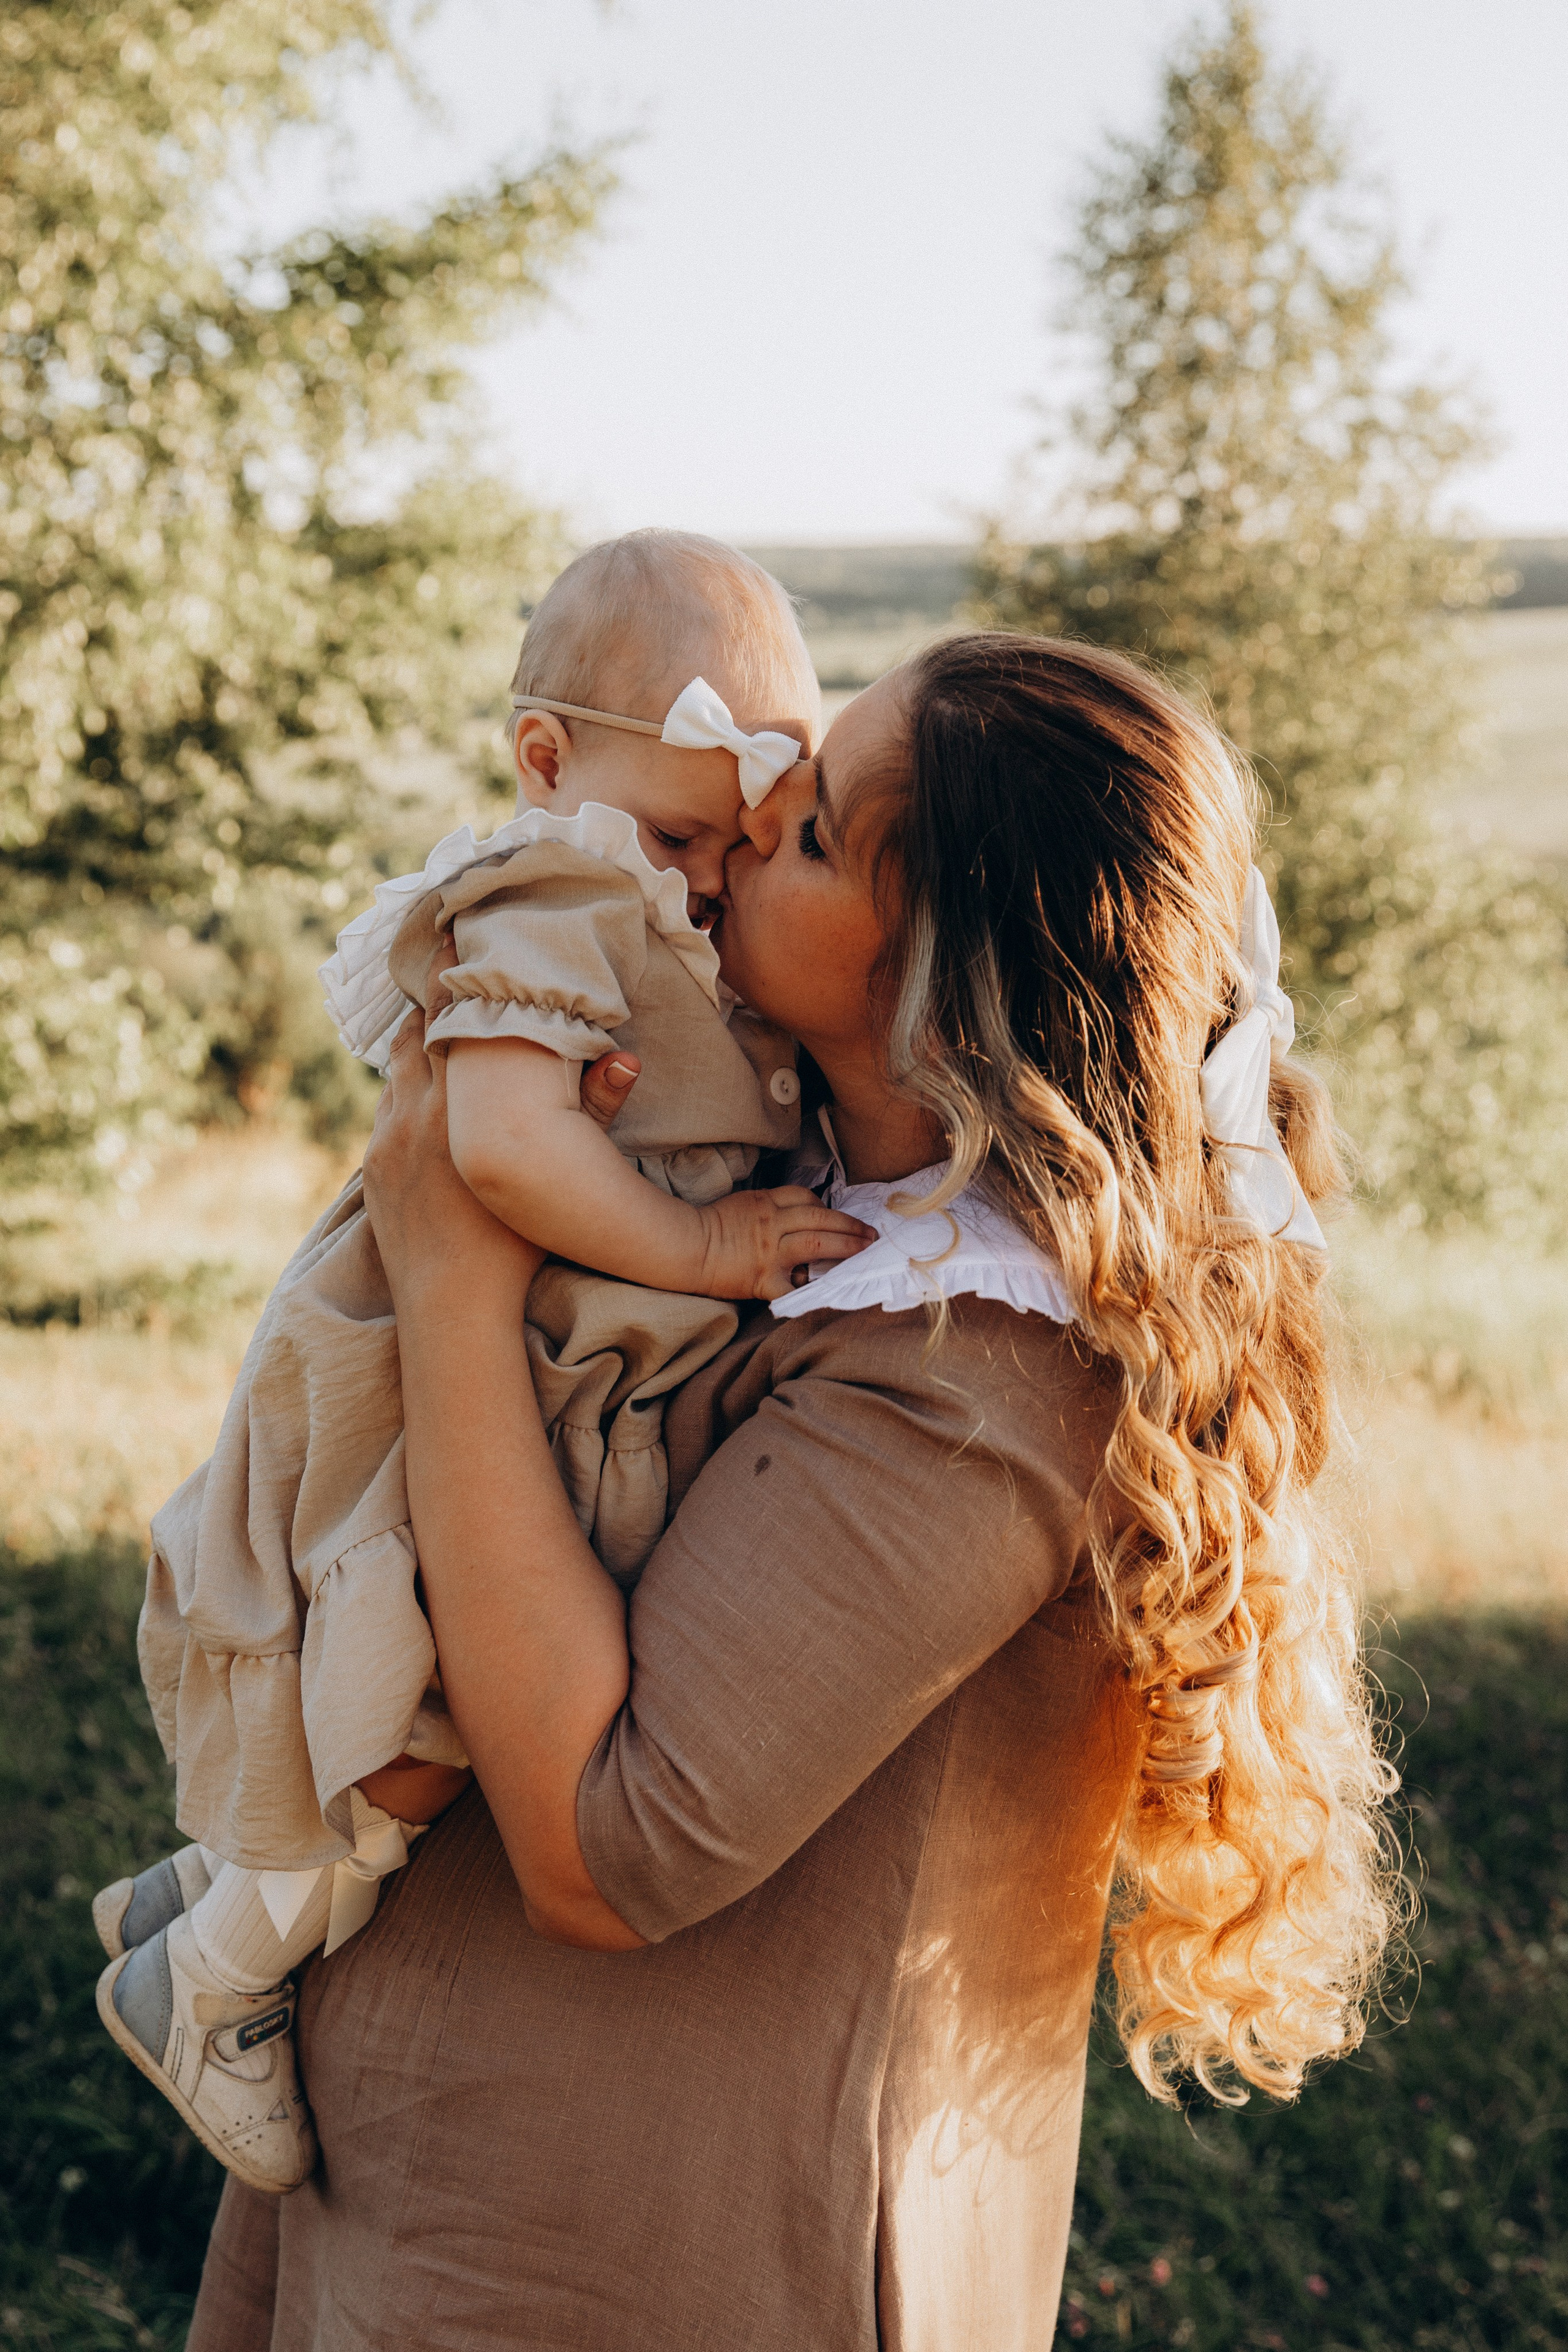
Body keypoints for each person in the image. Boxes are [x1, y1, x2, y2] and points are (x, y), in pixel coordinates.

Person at [185, 631, 1396, 2351]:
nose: (750, 820)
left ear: (942, 989)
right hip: (431, 2151)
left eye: (812, 829)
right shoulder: (787, 1179)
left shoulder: (978, 1375)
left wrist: (452, 1272)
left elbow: (604, 1847)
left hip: (634, 2234)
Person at [92, 533, 874, 2195]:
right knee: (429, 1704)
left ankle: (213, 1891)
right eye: (684, 837)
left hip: (546, 1358)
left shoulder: (637, 890)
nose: (712, 882)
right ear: (544, 760)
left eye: (739, 845)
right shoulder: (555, 892)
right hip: (455, 1361)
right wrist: (707, 1251)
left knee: (444, 1672)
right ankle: (213, 1975)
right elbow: (504, 1145)